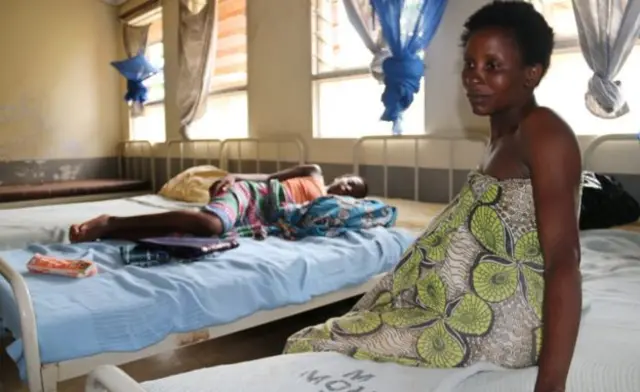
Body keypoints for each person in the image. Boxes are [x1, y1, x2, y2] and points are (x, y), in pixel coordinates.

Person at [284, 2, 582, 392]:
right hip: (466, 302)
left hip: (496, 322)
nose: (474, 78)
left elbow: (564, 259)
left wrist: (552, 385)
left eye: (492, 66)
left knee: (308, 343)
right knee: (333, 330)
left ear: (532, 74)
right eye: (470, 64)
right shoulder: (500, 138)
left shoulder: (544, 132)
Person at [69, 164, 368, 242]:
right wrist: (235, 176)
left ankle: (108, 233)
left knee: (192, 235)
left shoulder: (330, 210)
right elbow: (268, 176)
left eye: (354, 192)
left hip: (259, 219)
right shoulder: (314, 173)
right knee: (211, 225)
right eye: (350, 181)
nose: (347, 188)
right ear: (342, 177)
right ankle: (111, 221)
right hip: (253, 194)